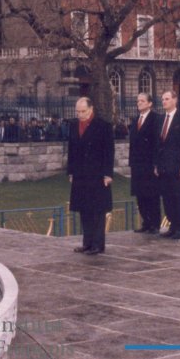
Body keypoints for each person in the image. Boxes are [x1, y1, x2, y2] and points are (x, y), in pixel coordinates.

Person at [67, 97, 114, 255]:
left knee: (97, 210)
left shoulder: (103, 126)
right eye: (78, 112)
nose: (80, 114)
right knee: (84, 209)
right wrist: (71, 172)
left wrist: (108, 174)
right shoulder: (74, 126)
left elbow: (109, 151)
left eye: (83, 111)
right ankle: (87, 243)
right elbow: (71, 150)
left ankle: (97, 244)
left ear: (91, 109)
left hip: (97, 174)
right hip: (80, 175)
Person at [154, 90, 180, 240]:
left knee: (178, 197)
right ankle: (172, 226)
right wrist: (156, 165)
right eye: (162, 99)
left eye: (167, 99)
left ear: (175, 100)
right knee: (167, 198)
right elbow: (158, 145)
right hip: (163, 167)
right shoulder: (160, 120)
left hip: (177, 167)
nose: (164, 101)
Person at [128, 92, 160, 234]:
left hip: (149, 164)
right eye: (137, 101)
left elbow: (157, 143)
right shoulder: (135, 120)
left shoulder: (155, 119)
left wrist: (156, 163)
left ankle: (154, 223)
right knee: (140, 194)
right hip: (137, 164)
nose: (139, 103)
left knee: (151, 194)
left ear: (149, 103)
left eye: (142, 101)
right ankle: (146, 222)